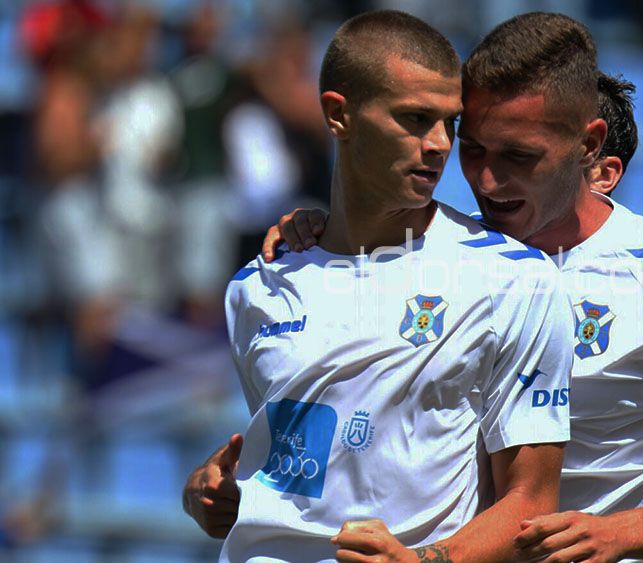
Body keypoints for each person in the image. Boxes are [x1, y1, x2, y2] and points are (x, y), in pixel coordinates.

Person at [190, 12, 643, 561]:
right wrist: (320, 242)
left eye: (519, 157)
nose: (486, 180)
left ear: (589, 145)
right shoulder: (451, 260)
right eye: (474, 150)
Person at [205, 11, 575, 563]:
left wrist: (427, 561)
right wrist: (216, 489)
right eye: (415, 119)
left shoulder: (517, 281)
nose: (439, 144)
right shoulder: (257, 285)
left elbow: (531, 503)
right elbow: (305, 458)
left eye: (449, 123)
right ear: (339, 115)